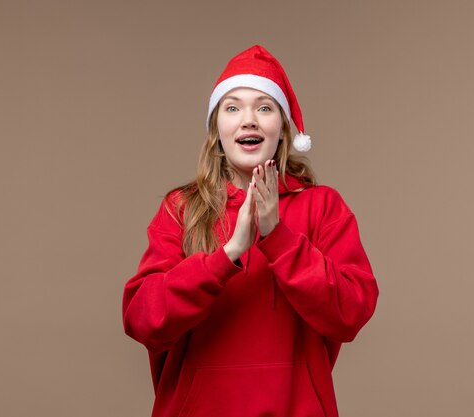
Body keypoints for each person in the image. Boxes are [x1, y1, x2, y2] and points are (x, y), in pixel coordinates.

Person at [122, 45, 379, 417]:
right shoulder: (181, 208)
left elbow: (351, 312)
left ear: (282, 127)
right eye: (232, 107)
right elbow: (142, 319)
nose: (249, 120)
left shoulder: (323, 206)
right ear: (217, 130)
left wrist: (277, 236)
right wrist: (227, 255)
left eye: (264, 107)